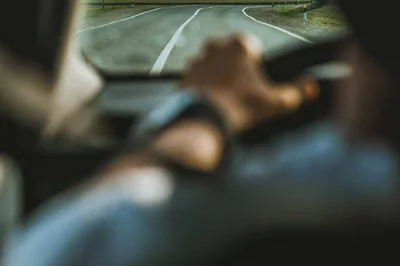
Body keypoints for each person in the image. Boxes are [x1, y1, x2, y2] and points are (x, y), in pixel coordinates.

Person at [3, 30, 400, 265]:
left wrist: (210, 107)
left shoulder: (359, 193)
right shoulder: (355, 179)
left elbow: (72, 244)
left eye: (363, 39)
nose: (350, 58)